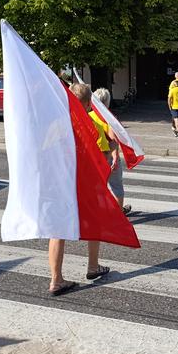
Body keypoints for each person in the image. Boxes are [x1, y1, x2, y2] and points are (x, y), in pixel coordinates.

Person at [48, 83, 110, 296]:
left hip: (59, 182)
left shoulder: (56, 123)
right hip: (83, 183)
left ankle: (56, 279)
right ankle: (93, 266)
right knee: (95, 222)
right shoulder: (88, 124)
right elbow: (98, 155)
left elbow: (47, 152)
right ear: (86, 104)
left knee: (57, 230)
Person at [92, 87, 131, 215]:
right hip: (108, 155)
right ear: (107, 101)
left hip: (95, 157)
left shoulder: (89, 116)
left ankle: (98, 212)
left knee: (97, 188)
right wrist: (114, 157)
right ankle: (118, 214)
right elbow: (113, 139)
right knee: (116, 186)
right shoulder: (110, 118)